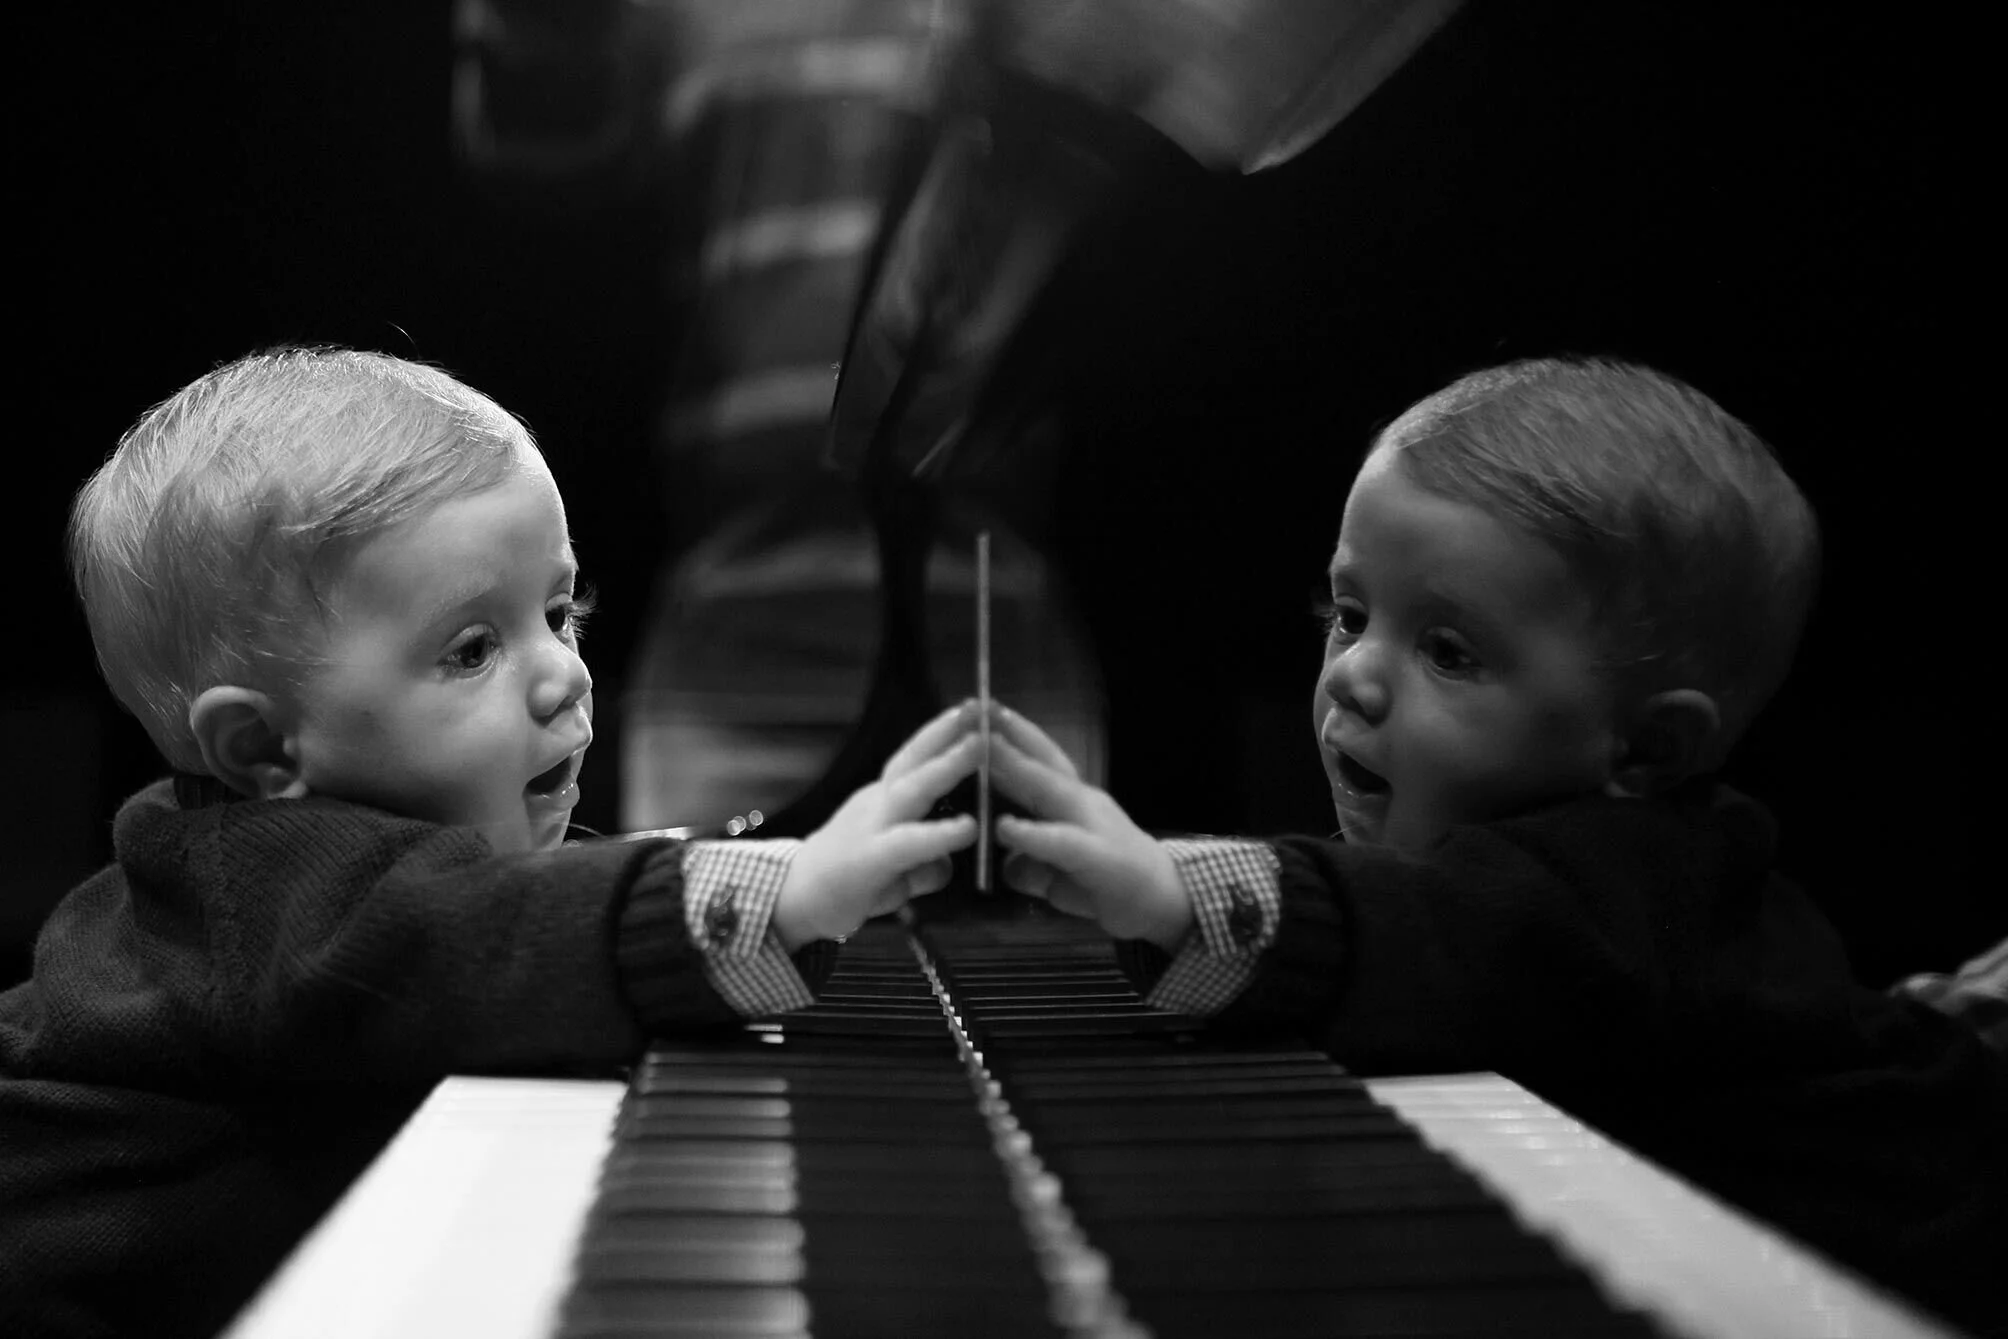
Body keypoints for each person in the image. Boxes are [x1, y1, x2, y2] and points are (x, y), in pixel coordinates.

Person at [985, 357, 2008, 1334]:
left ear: (1647, 747)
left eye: (1447, 651)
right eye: (1349, 614)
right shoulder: (1533, 860)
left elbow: (1459, 928)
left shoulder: (1648, 873)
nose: (1354, 675)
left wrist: (1173, 892)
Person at [0, 347, 981, 1339]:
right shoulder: (251, 883)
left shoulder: (337, 856)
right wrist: (784, 892)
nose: (562, 674)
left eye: (559, 613)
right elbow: (459, 930)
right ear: (260, 748)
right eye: (471, 649)